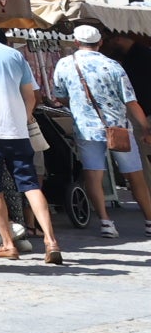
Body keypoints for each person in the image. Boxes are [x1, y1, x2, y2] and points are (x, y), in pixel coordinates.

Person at [0, 12, 63, 265]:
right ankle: (51, 241)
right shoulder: (14, 55)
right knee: (30, 185)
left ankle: (7, 243)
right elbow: (32, 95)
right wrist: (24, 117)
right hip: (16, 130)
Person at [53, 24, 151, 237]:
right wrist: (145, 126)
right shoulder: (112, 65)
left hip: (86, 129)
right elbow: (131, 101)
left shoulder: (64, 64)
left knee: (93, 174)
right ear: (100, 43)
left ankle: (106, 222)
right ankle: (149, 220)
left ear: (76, 43)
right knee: (135, 175)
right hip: (118, 128)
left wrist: (78, 105)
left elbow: (59, 96)